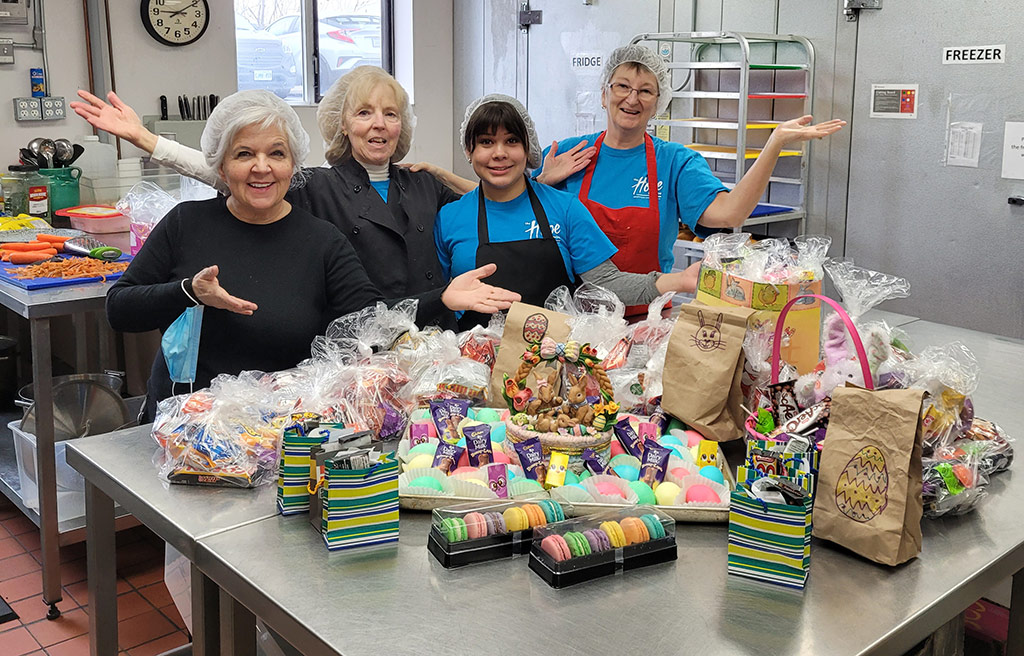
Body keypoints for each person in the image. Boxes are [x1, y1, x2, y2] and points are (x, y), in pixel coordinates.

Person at [105, 90, 519, 420]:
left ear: (293, 164)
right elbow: (119, 309)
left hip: (281, 429)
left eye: (277, 154)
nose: (261, 168)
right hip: (187, 420)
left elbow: (369, 319)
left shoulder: (322, 241)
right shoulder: (186, 223)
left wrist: (441, 298)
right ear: (221, 164)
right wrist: (187, 292)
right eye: (244, 154)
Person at [416, 46, 846, 299]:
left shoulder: (676, 162)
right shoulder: (570, 153)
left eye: (645, 91)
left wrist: (771, 146)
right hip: (575, 320)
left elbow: (729, 215)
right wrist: (542, 179)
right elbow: (499, 193)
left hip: (648, 308)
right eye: (622, 86)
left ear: (658, 103)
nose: (632, 98)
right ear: (604, 94)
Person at [71, 66, 465, 327]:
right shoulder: (317, 185)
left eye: (391, 113)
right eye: (364, 112)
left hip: (429, 334)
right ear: (342, 124)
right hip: (362, 344)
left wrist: (455, 175)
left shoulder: (426, 184)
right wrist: (146, 140)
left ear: (403, 124)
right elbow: (237, 174)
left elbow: (496, 200)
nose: (378, 124)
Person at [434, 94, 695, 329]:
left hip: (554, 366)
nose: (499, 153)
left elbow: (607, 282)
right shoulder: (449, 218)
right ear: (469, 151)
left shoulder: (564, 208)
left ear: (528, 149)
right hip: (474, 368)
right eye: (486, 142)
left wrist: (680, 281)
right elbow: (437, 299)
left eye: (511, 141)